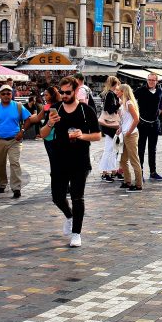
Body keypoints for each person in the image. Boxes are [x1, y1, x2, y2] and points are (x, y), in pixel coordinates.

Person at [40, 76, 101, 248]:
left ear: (75, 91)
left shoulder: (85, 110)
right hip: (59, 159)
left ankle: (76, 233)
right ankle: (69, 216)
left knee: (77, 197)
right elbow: (43, 134)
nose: (64, 95)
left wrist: (82, 135)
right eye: (62, 92)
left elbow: (97, 135)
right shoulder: (55, 108)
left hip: (80, 160)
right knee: (57, 196)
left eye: (68, 92)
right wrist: (50, 123)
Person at [0, 84, 32, 199]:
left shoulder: (18, 106)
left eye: (8, 93)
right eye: (3, 94)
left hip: (15, 140)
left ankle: (16, 188)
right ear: (0, 95)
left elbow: (28, 119)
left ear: (12, 94)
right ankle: (2, 184)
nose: (6, 96)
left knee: (15, 163)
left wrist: (22, 131)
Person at [135, 73, 162, 181]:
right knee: (141, 149)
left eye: (153, 80)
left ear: (157, 81)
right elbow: (131, 100)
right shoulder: (140, 90)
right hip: (142, 123)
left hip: (154, 124)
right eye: (149, 80)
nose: (151, 81)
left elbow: (161, 105)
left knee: (153, 149)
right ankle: (140, 173)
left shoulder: (159, 91)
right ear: (147, 80)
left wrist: (158, 113)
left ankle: (153, 172)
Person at [116, 84, 142, 192]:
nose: (116, 92)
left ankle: (138, 185)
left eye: (118, 90)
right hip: (125, 134)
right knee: (122, 159)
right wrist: (121, 129)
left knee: (134, 160)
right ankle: (127, 181)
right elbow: (126, 120)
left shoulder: (129, 103)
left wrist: (129, 132)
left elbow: (136, 119)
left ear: (123, 92)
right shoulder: (122, 104)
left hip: (131, 135)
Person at [98, 76, 121, 183]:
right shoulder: (110, 94)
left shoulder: (109, 94)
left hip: (109, 125)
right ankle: (104, 173)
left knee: (112, 149)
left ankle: (112, 170)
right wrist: (119, 104)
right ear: (115, 84)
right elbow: (110, 109)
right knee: (109, 149)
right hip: (110, 125)